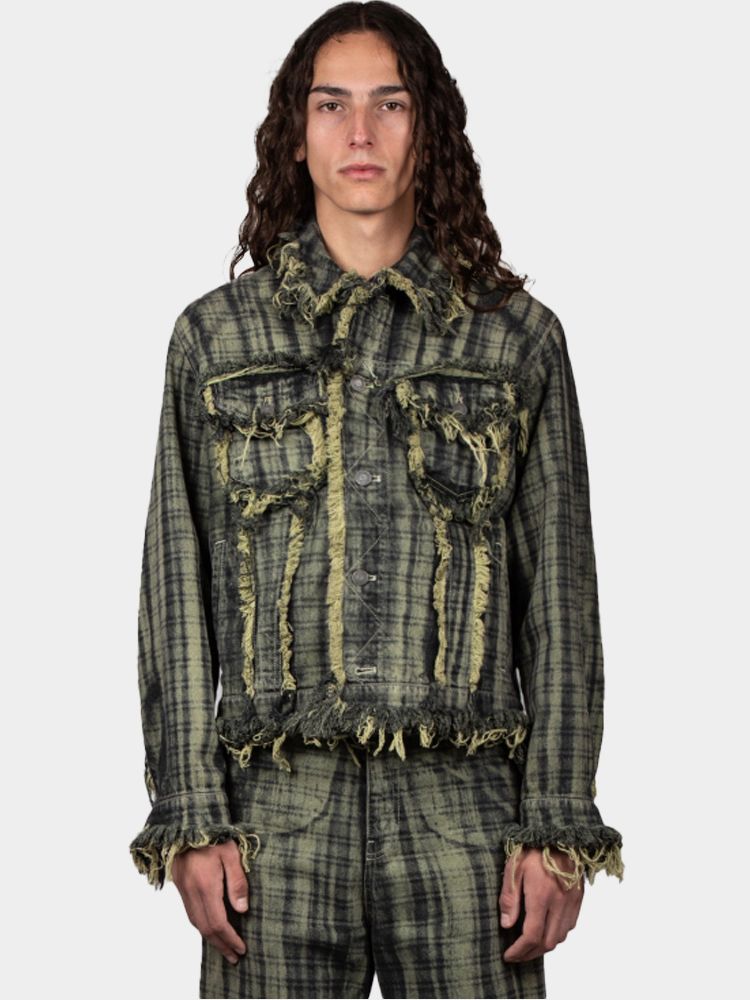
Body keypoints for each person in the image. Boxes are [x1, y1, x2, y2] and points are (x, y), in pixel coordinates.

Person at [129, 3, 624, 997]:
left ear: (428, 127)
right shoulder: (215, 339)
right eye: (332, 105)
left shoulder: (514, 338)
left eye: (390, 105)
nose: (360, 133)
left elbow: (561, 601)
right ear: (296, 132)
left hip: (467, 819)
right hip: (271, 818)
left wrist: (557, 821)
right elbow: (176, 589)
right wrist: (190, 812)